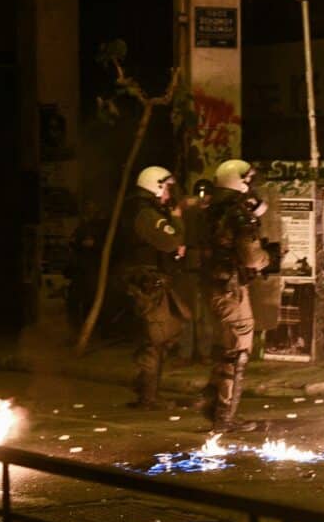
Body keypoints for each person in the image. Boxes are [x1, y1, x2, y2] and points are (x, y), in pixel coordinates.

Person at [199, 159, 279, 433]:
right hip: (231, 290)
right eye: (248, 179)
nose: (250, 185)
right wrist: (269, 257)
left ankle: (211, 402)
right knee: (237, 353)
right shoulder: (237, 214)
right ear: (238, 180)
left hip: (214, 286)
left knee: (225, 347)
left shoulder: (211, 210)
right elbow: (251, 258)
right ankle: (225, 417)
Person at [119, 166, 189, 409]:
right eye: (167, 188)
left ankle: (144, 388)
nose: (169, 193)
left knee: (166, 333)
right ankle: (148, 396)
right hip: (149, 285)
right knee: (156, 339)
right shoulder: (147, 214)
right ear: (155, 186)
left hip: (149, 283)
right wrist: (177, 219)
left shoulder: (144, 211)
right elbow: (171, 241)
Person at [175, 178, 214, 362]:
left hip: (206, 269)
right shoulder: (188, 212)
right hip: (189, 267)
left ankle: (203, 352)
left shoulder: (212, 214)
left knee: (205, 314)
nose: (203, 198)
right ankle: (186, 353)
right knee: (188, 312)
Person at [65, 199, 106, 329]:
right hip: (80, 268)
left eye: (92, 208)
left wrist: (95, 245)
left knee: (90, 297)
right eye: (88, 208)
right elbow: (74, 241)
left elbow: (106, 246)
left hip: (93, 268)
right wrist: (76, 242)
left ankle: (91, 327)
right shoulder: (82, 227)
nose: (90, 210)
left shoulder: (100, 228)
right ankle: (75, 327)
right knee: (74, 298)